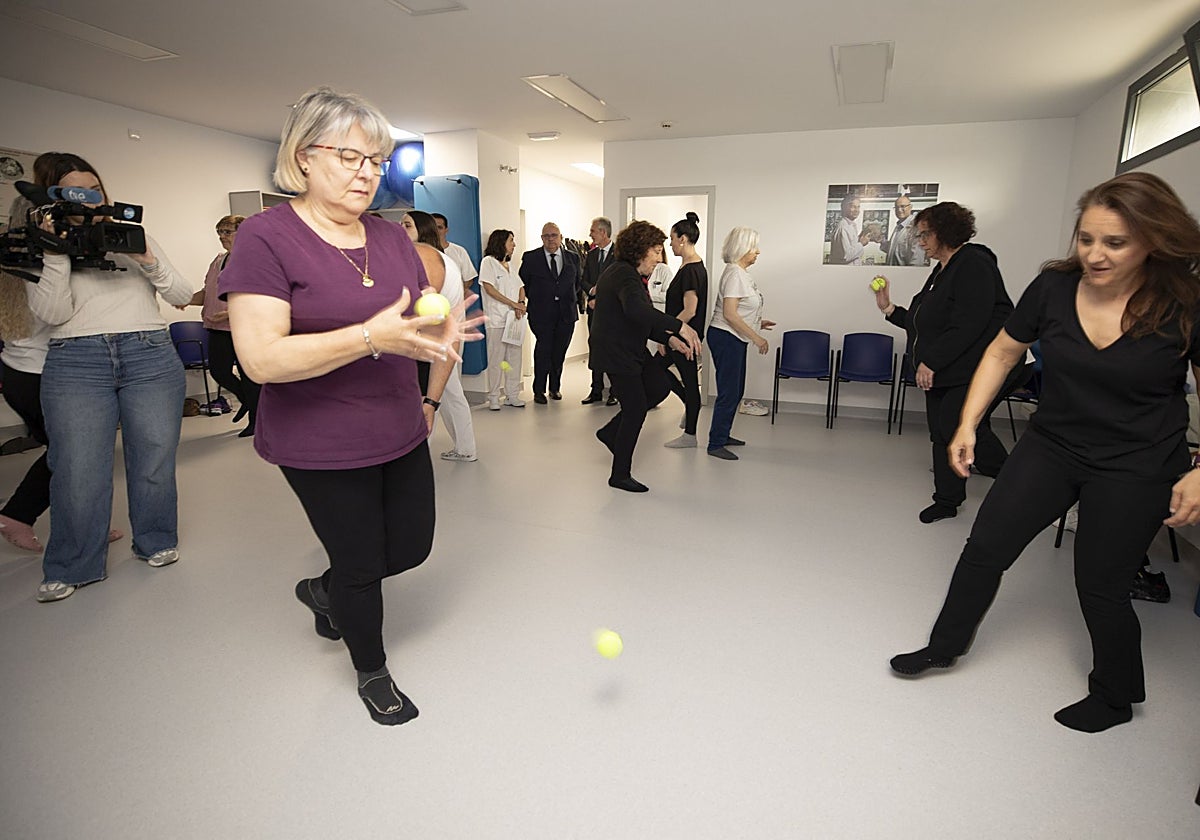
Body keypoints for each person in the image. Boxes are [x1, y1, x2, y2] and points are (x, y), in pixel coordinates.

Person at [890, 172, 1200, 735]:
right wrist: (968, 423)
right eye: (1086, 239)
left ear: (1152, 241)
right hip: (1053, 445)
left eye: (1115, 243)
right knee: (984, 549)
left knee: (1100, 583)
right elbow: (1004, 353)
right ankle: (944, 647)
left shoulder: (1184, 302)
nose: (1095, 255)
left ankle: (1115, 694)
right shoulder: (1054, 289)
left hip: (1138, 462)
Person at [221, 86, 482, 725]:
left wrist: (434, 346)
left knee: (412, 548)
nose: (368, 172)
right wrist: (369, 337)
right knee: (361, 561)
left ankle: (322, 591)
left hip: (397, 423)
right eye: (350, 157)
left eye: (376, 160)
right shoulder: (265, 236)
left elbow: (418, 318)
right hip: (318, 439)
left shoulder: (391, 239)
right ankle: (372, 670)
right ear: (304, 158)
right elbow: (259, 359)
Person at [25, 152, 192, 603]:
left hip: (150, 354)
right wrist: (58, 254)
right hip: (76, 360)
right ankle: (74, 564)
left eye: (95, 187)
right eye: (76, 190)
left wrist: (143, 255)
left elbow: (180, 294)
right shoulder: (42, 243)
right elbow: (50, 313)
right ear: (54, 197)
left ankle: (156, 540)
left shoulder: (131, 236)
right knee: (77, 469)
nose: (90, 198)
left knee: (154, 460)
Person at [872, 202, 1018, 524]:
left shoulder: (974, 264)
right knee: (943, 431)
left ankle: (1013, 485)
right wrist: (889, 308)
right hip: (946, 369)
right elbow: (925, 322)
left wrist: (931, 361)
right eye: (918, 235)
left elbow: (969, 324)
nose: (920, 241)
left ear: (947, 232)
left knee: (959, 428)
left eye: (925, 234)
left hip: (971, 368)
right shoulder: (943, 270)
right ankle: (950, 499)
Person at [590, 220, 700, 492]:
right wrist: (680, 326)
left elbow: (640, 321)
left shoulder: (631, 275)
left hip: (631, 348)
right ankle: (619, 474)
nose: (659, 256)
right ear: (640, 250)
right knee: (636, 407)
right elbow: (638, 313)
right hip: (615, 352)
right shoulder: (623, 275)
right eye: (655, 250)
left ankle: (609, 433)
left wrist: (669, 338)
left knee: (660, 385)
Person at [401, 209, 477, 462]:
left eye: (407, 225)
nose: (401, 229)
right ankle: (465, 448)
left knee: (435, 395)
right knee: (448, 392)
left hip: (439, 340)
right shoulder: (426, 259)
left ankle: (454, 449)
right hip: (438, 341)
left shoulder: (436, 262)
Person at [186, 214, 260, 436]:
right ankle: (247, 401)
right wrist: (183, 298)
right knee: (219, 371)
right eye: (219, 232)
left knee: (250, 377)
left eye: (227, 232)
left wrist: (231, 312)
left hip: (244, 328)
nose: (222, 236)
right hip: (216, 328)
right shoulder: (218, 260)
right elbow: (207, 293)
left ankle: (256, 421)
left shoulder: (254, 260)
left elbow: (259, 296)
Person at [707, 226, 774, 461]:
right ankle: (715, 443)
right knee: (729, 392)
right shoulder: (735, 273)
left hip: (733, 337)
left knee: (736, 391)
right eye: (754, 247)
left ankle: (723, 435)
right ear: (743, 248)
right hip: (726, 337)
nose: (758, 252)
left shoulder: (740, 272)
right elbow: (730, 314)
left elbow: (740, 310)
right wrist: (757, 338)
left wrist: (758, 323)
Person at [519, 222, 579, 403]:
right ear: (541, 238)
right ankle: (539, 390)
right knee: (543, 350)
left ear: (561, 237)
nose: (550, 239)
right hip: (541, 313)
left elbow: (577, 282)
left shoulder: (573, 257)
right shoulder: (531, 258)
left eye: (554, 235)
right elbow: (524, 283)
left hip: (566, 314)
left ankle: (555, 388)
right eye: (546, 236)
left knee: (559, 352)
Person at [662, 212, 708, 449]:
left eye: (672, 238)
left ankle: (690, 434)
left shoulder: (691, 270)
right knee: (659, 371)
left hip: (683, 338)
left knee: (689, 383)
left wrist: (667, 333)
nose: (669, 244)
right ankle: (691, 407)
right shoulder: (692, 266)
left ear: (683, 238)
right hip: (681, 336)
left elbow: (690, 310)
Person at [478, 228, 526, 410]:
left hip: (514, 320)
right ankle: (494, 397)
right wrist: (514, 304)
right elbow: (490, 289)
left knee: (514, 359)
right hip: (497, 320)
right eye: (511, 241)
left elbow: (521, 286)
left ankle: (512, 394)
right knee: (497, 359)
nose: (514, 245)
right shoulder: (488, 262)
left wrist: (520, 302)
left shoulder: (511, 266)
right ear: (501, 242)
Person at [581, 217, 616, 405]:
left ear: (603, 232)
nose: (590, 234)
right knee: (595, 348)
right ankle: (596, 390)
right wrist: (591, 291)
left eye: (593, 231)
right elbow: (583, 279)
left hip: (612, 313)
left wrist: (601, 298)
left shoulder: (619, 255)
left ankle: (615, 392)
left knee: (612, 350)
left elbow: (619, 284)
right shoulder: (591, 255)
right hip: (594, 312)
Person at [432, 213, 478, 299]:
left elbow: (468, 279)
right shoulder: (423, 253)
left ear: (446, 230)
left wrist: (456, 297)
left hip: (454, 305)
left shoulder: (459, 251)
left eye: (439, 227)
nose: (436, 231)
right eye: (432, 227)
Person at [828, 195, 875, 265]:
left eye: (858, 207)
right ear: (844, 208)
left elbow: (850, 247)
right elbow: (846, 256)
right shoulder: (843, 227)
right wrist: (861, 243)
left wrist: (860, 238)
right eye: (853, 207)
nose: (857, 210)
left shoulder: (850, 225)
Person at [883, 194, 926, 267]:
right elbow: (896, 251)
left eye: (903, 206)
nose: (899, 210)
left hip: (904, 275)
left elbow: (917, 260)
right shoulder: (899, 226)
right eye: (897, 207)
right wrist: (881, 241)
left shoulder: (915, 228)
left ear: (910, 207)